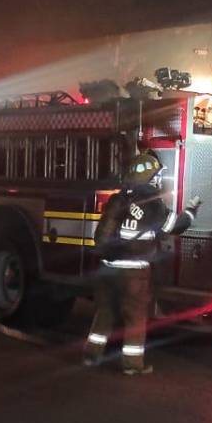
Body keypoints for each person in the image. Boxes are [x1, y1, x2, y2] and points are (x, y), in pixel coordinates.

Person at [83, 152, 201, 375]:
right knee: (135, 317)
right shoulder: (152, 204)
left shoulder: (118, 199)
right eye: (156, 176)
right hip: (134, 273)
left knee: (105, 312)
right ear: (149, 177)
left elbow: (101, 236)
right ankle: (132, 365)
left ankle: (91, 355)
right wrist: (191, 211)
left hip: (108, 268)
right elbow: (174, 226)